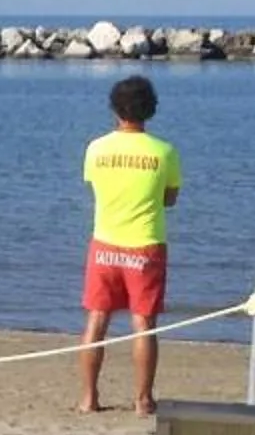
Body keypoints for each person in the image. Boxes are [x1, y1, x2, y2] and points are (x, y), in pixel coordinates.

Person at [77, 73, 181, 414]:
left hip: (104, 243)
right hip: (145, 245)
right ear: (150, 110)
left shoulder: (96, 148)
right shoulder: (164, 152)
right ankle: (142, 399)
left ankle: (89, 397)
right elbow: (170, 199)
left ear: (115, 110)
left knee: (97, 318)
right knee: (143, 324)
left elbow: (95, 186)